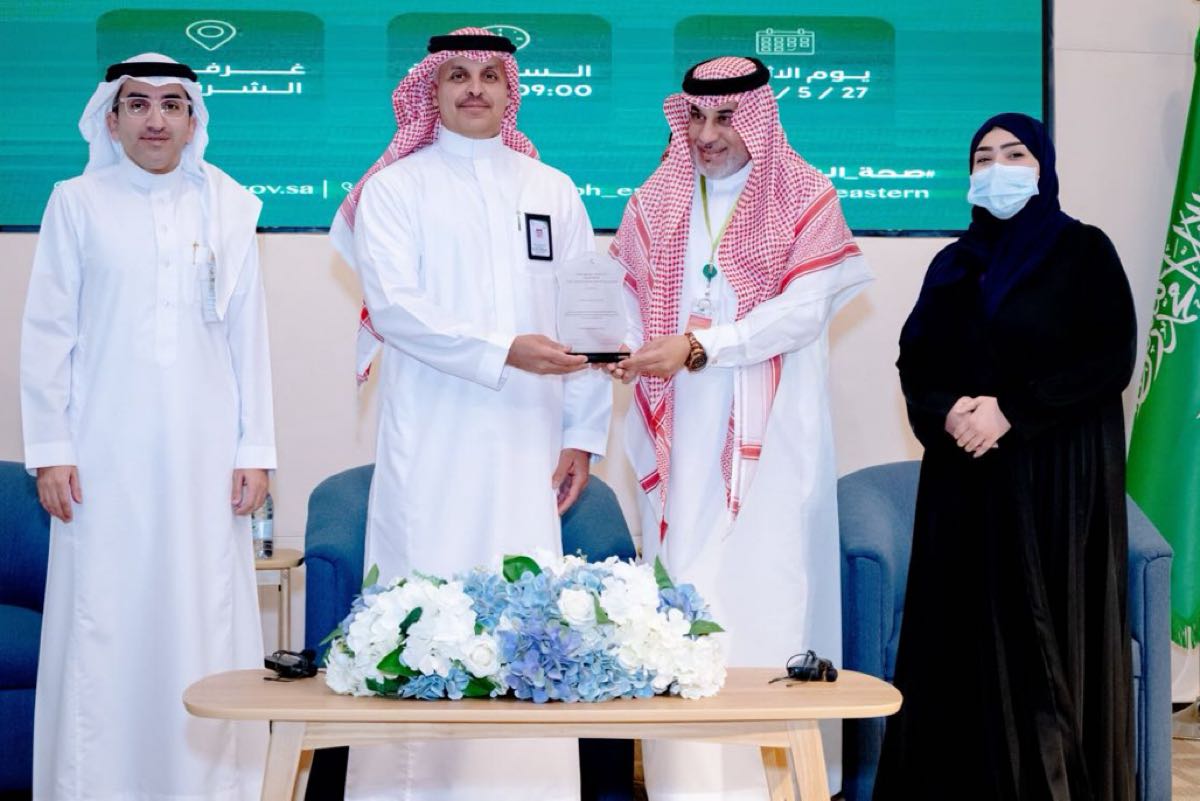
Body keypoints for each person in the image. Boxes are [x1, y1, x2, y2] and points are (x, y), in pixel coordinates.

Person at [329, 28, 611, 801]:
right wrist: (503, 349)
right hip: (432, 440)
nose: (475, 88)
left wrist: (582, 434)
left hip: (528, 444)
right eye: (458, 75)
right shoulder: (395, 190)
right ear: (433, 89)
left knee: (525, 611)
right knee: (423, 602)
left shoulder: (552, 189)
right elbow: (396, 309)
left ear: (510, 91)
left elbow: (588, 316)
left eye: (490, 74)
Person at [608, 56, 872, 800]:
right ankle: (684, 786)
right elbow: (624, 297)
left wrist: (702, 347)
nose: (707, 134)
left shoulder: (806, 196)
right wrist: (621, 348)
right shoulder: (654, 201)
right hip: (680, 438)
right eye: (695, 117)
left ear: (757, 117)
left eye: (726, 117)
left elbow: (801, 313)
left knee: (766, 591)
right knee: (682, 598)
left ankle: (771, 787)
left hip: (773, 443)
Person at [20, 53, 275, 800]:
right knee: (104, 617)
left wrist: (256, 449)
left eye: (171, 104)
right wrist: (51, 450)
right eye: (138, 104)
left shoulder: (230, 208)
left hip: (205, 455)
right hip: (101, 456)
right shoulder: (76, 202)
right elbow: (47, 333)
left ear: (194, 120)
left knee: (203, 610)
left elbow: (250, 339)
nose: (155, 119)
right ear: (112, 119)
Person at [873, 113, 1136, 800]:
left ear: (1043, 167)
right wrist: (948, 410)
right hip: (964, 483)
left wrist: (1012, 409)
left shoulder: (1083, 251)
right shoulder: (953, 264)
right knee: (957, 649)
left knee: (1044, 645)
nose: (997, 169)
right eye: (983, 158)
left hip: (1054, 480)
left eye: (1014, 154)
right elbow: (914, 361)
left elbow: (1109, 357)